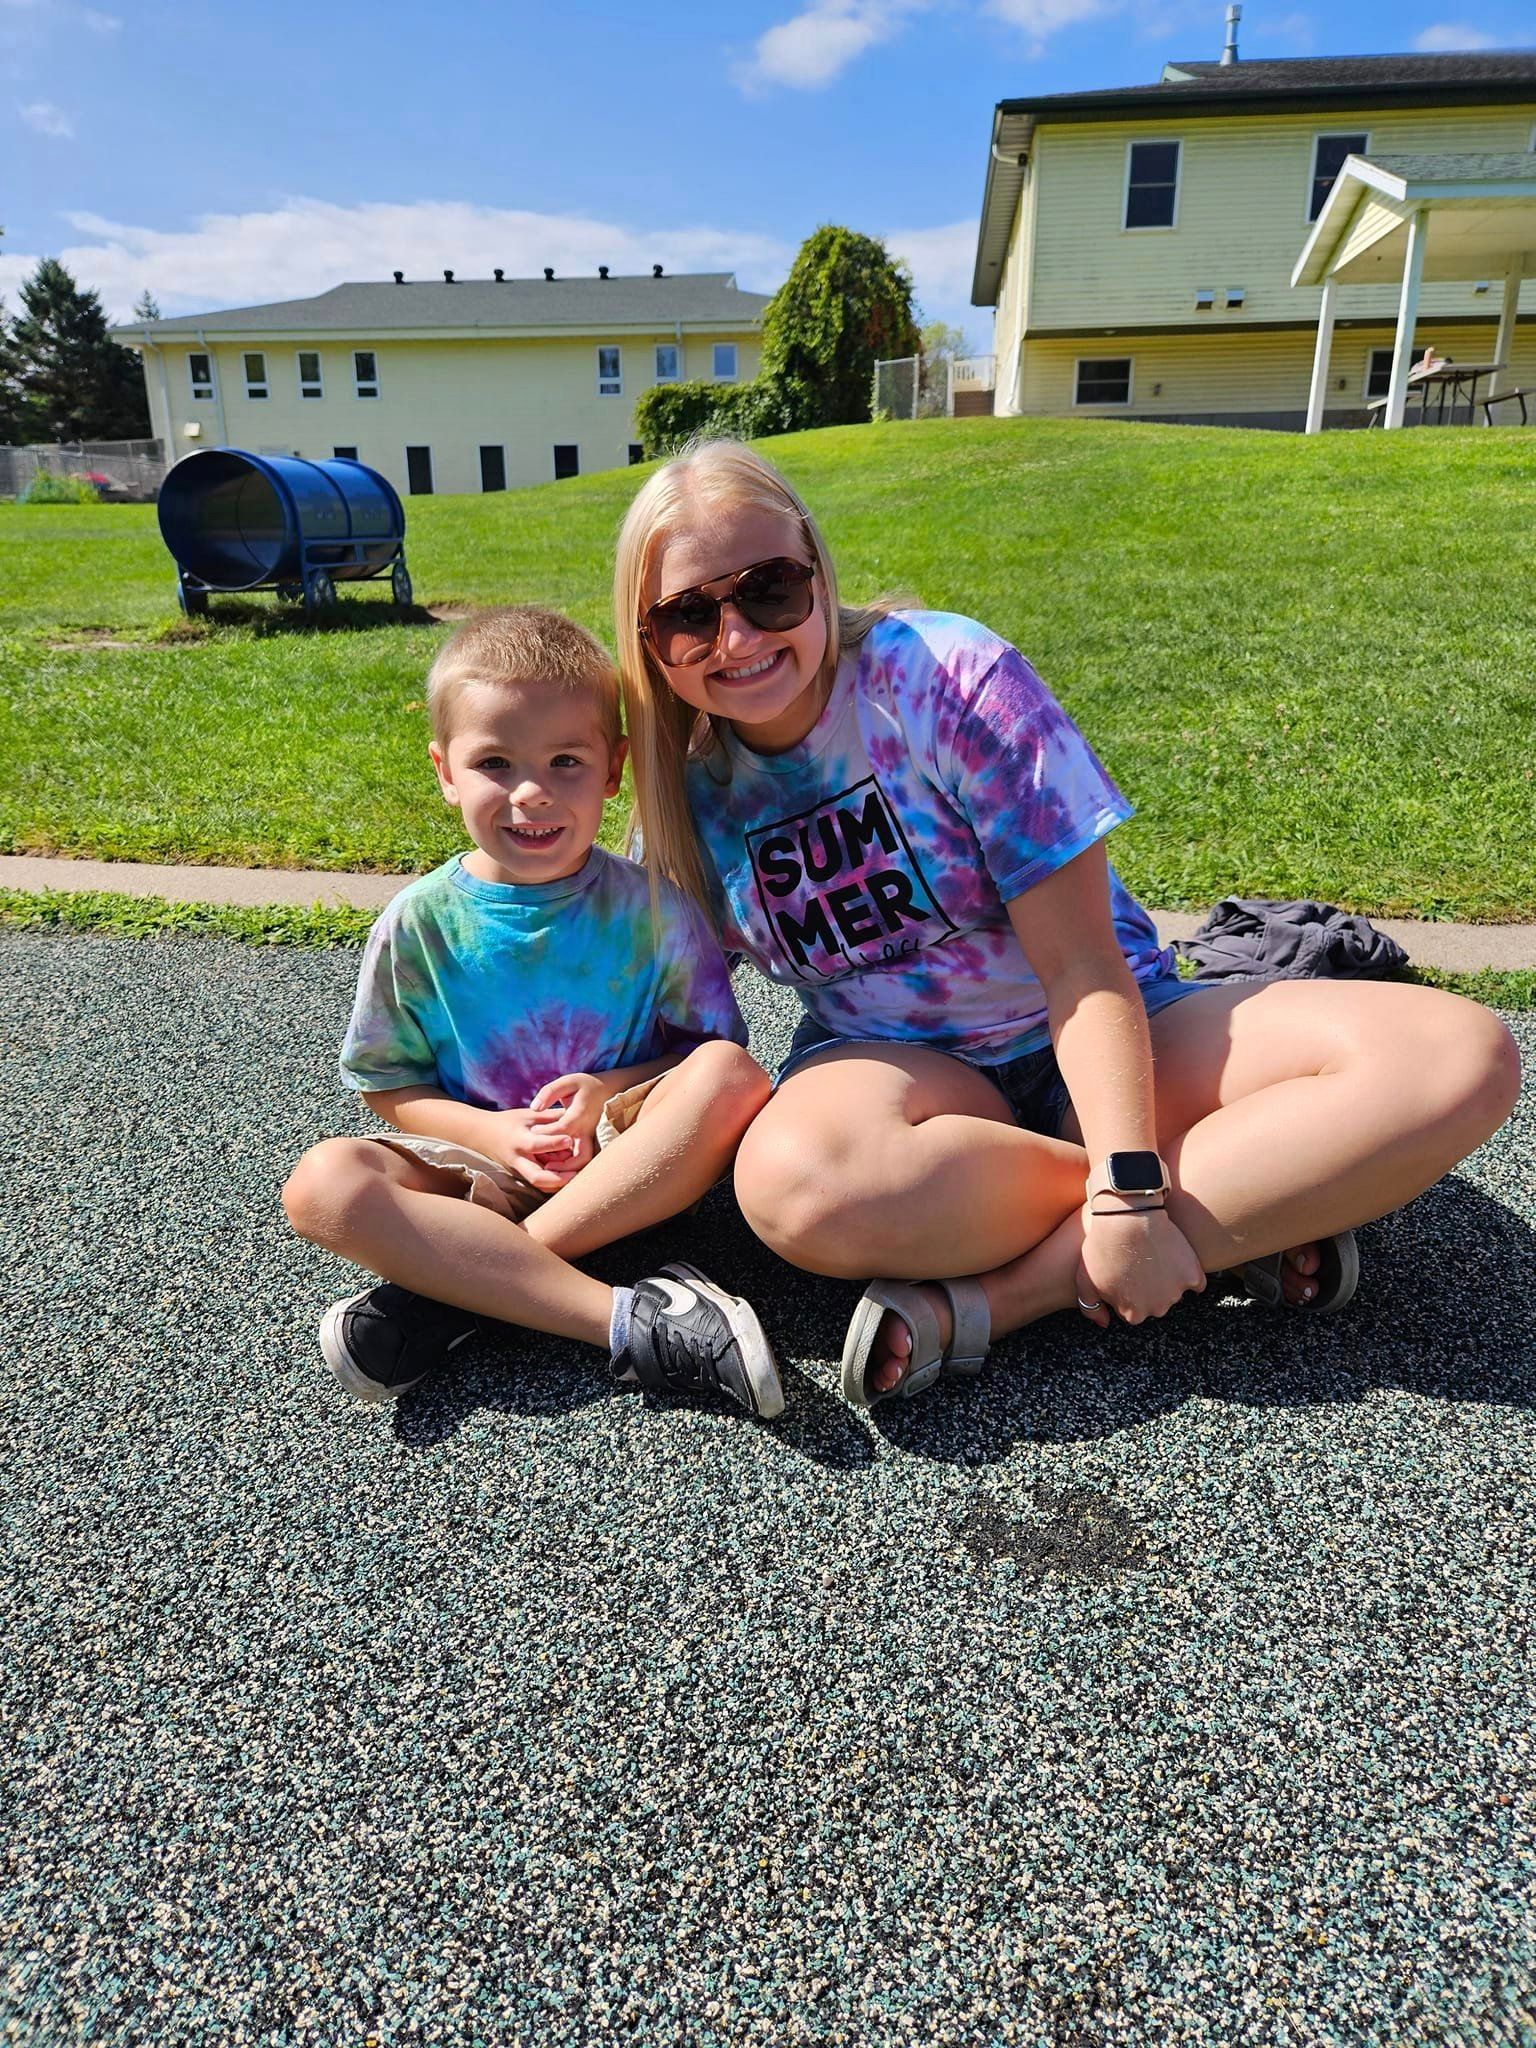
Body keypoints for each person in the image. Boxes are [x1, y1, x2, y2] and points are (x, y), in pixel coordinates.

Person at [612, 441, 1520, 1409]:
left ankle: (1017, 1292)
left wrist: (1129, 1190)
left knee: (1463, 1055)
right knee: (796, 1186)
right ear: (650, 640)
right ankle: (1247, 1204)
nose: (737, 636)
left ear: (818, 571)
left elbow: (1085, 967)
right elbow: (670, 1029)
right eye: (689, 614)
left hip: (1106, 1024)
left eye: (769, 590)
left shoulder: (941, 679)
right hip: (903, 1071)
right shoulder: (686, 801)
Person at [282, 605, 783, 1420]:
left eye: (564, 761)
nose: (530, 793)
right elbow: (387, 1085)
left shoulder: (654, 909)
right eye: (494, 763)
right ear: (445, 772)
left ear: (614, 767)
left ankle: (461, 1295)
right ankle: (630, 1317)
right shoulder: (418, 923)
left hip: (628, 1163)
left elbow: (710, 1057)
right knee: (322, 1185)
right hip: (483, 1171)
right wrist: (493, 1134)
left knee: (729, 1076)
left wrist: (607, 1091)